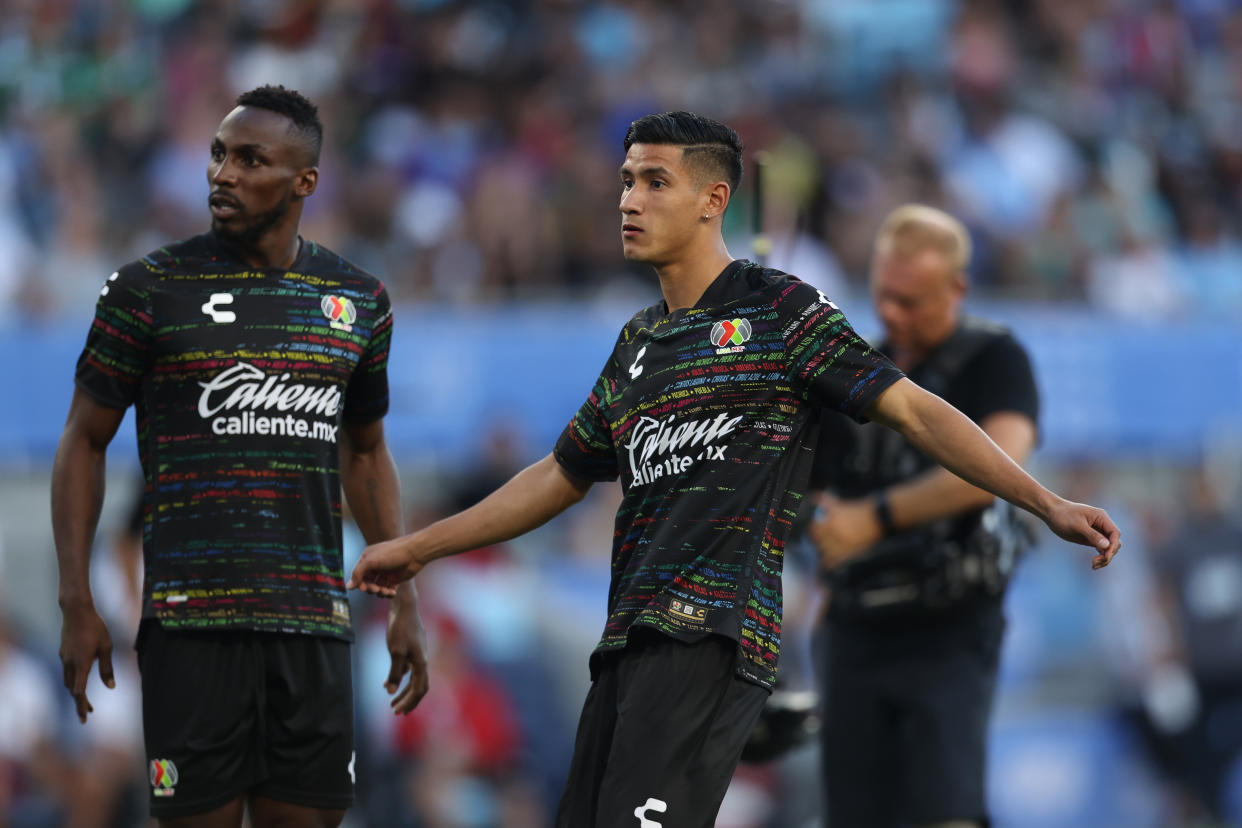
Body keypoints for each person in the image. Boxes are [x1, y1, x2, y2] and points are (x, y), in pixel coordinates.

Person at [348, 112, 1120, 828]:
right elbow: (559, 474)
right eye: (626, 180)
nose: (630, 199)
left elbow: (916, 410)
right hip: (627, 643)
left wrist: (1044, 501)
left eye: (656, 182)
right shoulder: (638, 341)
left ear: (714, 199)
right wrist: (420, 547)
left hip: (711, 642)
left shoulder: (780, 310)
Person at [50, 84, 429, 828]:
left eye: (251, 159)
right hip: (191, 631)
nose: (223, 173)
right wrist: (75, 597)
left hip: (312, 629)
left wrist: (404, 596)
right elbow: (82, 441)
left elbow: (367, 454)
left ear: (303, 181)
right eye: (219, 154)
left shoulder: (357, 301)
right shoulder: (147, 291)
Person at [807, 204, 1041, 827]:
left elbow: (999, 471)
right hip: (855, 628)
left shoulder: (995, 358)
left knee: (947, 812)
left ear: (957, 288)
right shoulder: (856, 373)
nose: (891, 315)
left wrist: (874, 518)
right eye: (883, 296)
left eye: (911, 302)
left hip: (950, 628)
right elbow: (812, 494)